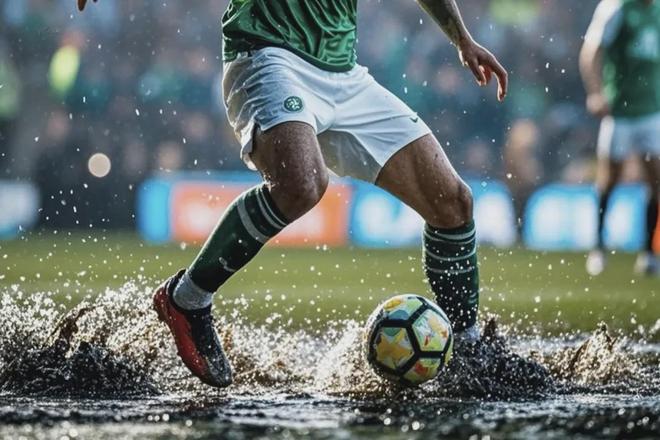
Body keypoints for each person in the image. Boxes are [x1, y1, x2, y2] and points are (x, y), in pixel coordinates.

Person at [79, 0, 507, 388]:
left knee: (453, 202)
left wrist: (462, 40)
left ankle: (468, 345)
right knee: (301, 185)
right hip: (267, 54)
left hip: (344, 73)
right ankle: (186, 299)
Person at [580, 0, 660, 276]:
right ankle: (598, 246)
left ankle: (648, 252)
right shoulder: (617, 8)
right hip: (620, 111)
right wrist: (595, 92)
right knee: (610, 179)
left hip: (652, 111)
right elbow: (591, 52)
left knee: (656, 180)